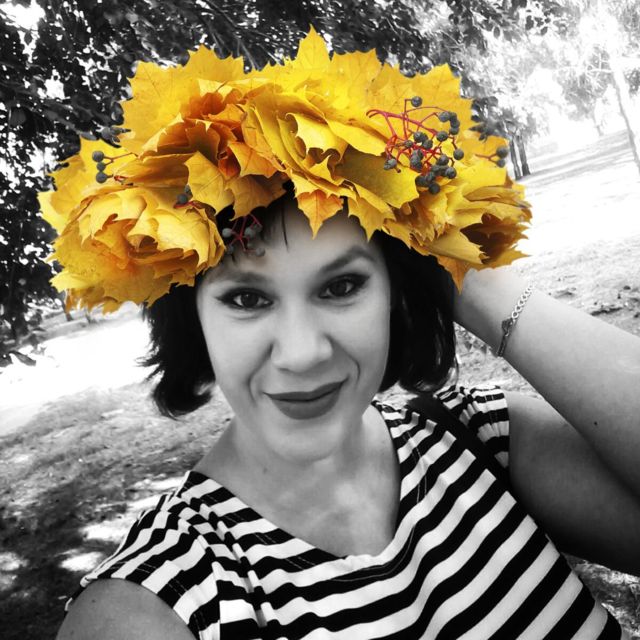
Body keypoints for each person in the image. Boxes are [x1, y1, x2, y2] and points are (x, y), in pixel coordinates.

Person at [41, 29, 639, 640]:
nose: (302, 353)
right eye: (247, 298)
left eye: (341, 286)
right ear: (193, 318)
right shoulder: (150, 605)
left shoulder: (479, 439)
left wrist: (465, 269)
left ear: (393, 292)